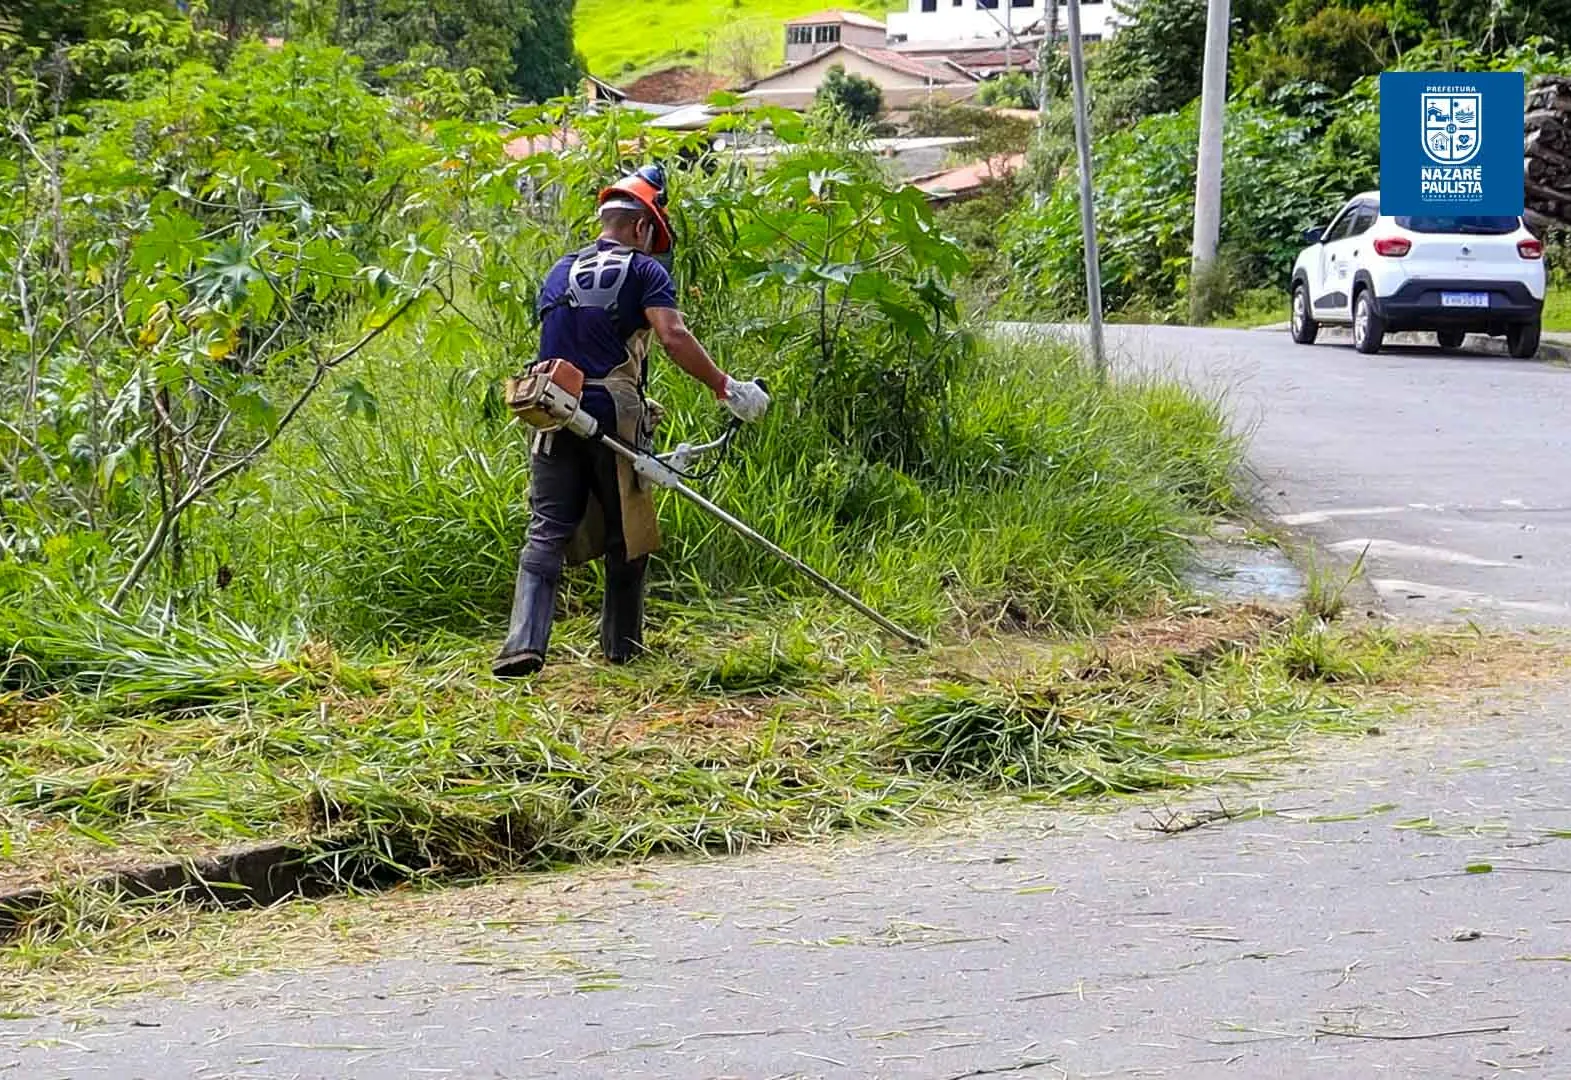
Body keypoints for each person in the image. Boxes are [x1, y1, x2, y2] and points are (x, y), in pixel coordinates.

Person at [494, 165, 770, 678]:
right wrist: (724, 386)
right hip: (613, 414)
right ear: (643, 227)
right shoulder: (645, 271)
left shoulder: (559, 270)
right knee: (628, 530)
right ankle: (622, 647)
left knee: (547, 528)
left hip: (553, 407)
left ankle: (521, 644)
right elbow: (672, 336)